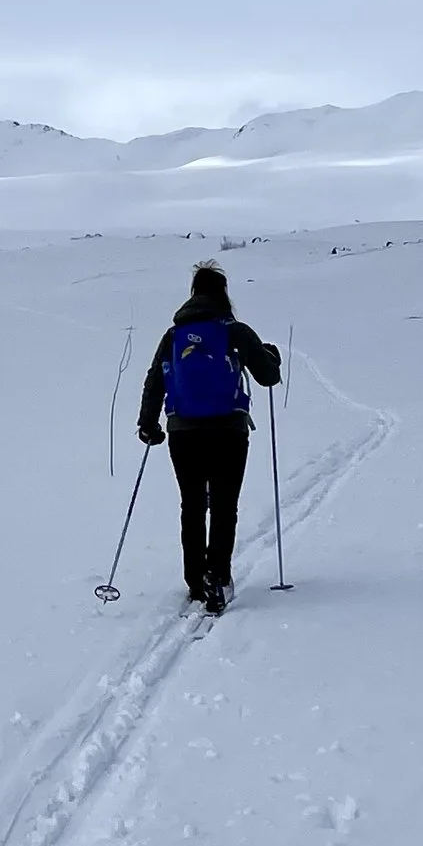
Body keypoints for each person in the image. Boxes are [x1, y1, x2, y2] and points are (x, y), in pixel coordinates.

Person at [136, 259, 281, 610]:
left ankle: (194, 581)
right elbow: (268, 376)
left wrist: (148, 424)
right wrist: (271, 357)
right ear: (223, 294)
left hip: (183, 432)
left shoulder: (173, 336)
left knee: (192, 505)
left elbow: (156, 380)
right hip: (228, 430)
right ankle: (217, 576)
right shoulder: (234, 330)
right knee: (224, 505)